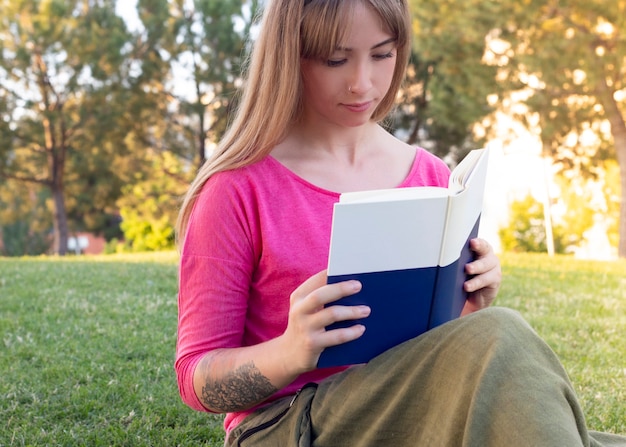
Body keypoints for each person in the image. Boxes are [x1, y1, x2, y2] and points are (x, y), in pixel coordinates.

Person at [175, 0, 626, 445]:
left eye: (382, 54)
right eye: (336, 59)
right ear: (291, 57)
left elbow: (428, 348)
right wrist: (289, 352)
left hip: (416, 414)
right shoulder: (235, 189)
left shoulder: (431, 177)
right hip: (289, 426)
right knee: (503, 335)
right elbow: (196, 380)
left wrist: (470, 306)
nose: (361, 83)